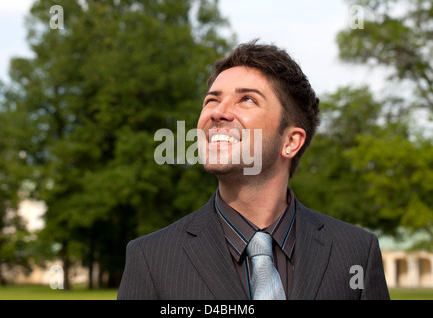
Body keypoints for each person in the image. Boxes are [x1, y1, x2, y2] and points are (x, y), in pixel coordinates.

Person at [117, 41, 390, 300]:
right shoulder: (151, 259)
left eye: (247, 99)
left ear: (290, 141)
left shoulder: (356, 252)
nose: (218, 112)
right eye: (212, 100)